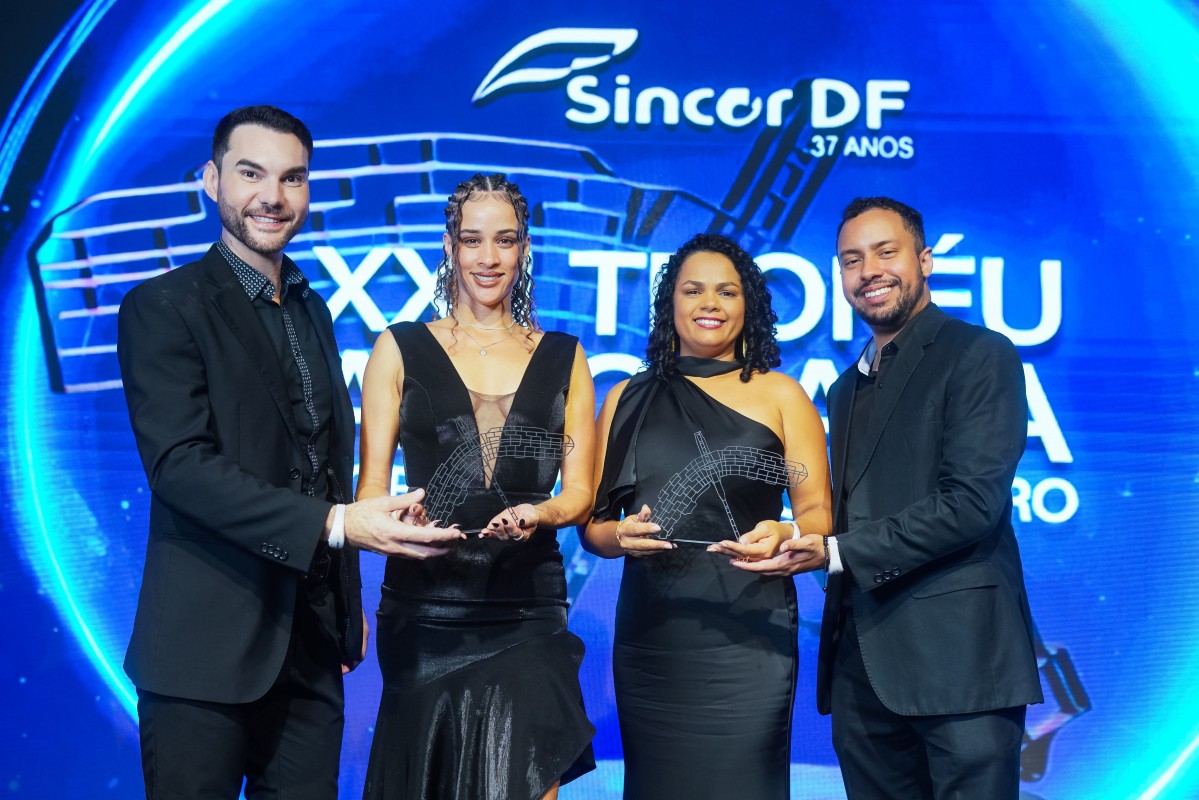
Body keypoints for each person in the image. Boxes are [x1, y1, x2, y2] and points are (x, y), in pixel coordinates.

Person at [117, 105, 463, 800]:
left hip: (309, 647)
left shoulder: (312, 307)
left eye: (292, 178)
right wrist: (337, 525)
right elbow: (180, 467)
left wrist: (345, 602)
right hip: (204, 649)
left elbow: (323, 464)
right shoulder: (163, 306)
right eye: (251, 174)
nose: (272, 196)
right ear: (211, 180)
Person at [356, 173, 597, 800]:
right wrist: (398, 523)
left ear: (524, 249)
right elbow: (370, 489)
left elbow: (579, 493)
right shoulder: (398, 347)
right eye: (472, 240)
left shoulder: (565, 355)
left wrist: (539, 515)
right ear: (450, 246)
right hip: (426, 608)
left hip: (527, 607)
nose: (489, 258)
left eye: (505, 240)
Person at [800, 196, 1042, 798]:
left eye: (886, 252)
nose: (869, 271)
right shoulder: (844, 388)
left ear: (925, 260)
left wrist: (835, 552)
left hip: (960, 660)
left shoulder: (979, 353)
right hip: (862, 667)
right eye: (852, 260)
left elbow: (972, 502)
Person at [584, 233, 832, 800]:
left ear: (750, 306)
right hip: (653, 641)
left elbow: (818, 511)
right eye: (693, 290)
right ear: (669, 302)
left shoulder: (783, 395)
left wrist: (787, 533)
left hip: (750, 636)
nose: (710, 304)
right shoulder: (624, 398)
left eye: (727, 291)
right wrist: (619, 535)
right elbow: (593, 529)